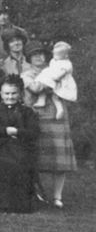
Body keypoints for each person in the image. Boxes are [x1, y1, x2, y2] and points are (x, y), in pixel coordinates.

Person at [0, 76, 40, 213]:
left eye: (14, 93)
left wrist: (18, 131)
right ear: (1, 94)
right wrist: (5, 130)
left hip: (22, 147)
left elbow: (34, 132)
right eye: (7, 93)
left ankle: (18, 205)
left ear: (20, 94)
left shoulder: (27, 112)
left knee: (17, 163)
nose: (10, 97)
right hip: (1, 146)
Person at [27, 62, 76, 209]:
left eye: (42, 55)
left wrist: (52, 81)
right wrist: (52, 82)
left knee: (59, 155)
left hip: (57, 114)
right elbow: (36, 88)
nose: (39, 58)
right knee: (38, 155)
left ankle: (57, 196)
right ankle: (38, 193)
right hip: (38, 113)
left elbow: (67, 88)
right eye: (35, 56)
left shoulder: (54, 70)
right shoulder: (27, 73)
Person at [35, 41, 76, 117]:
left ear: (66, 56)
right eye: (54, 54)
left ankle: (60, 109)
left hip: (61, 82)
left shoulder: (67, 64)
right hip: (53, 80)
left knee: (55, 97)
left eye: (58, 55)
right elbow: (51, 68)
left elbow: (60, 74)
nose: (55, 56)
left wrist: (55, 77)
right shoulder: (54, 60)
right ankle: (41, 100)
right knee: (44, 88)